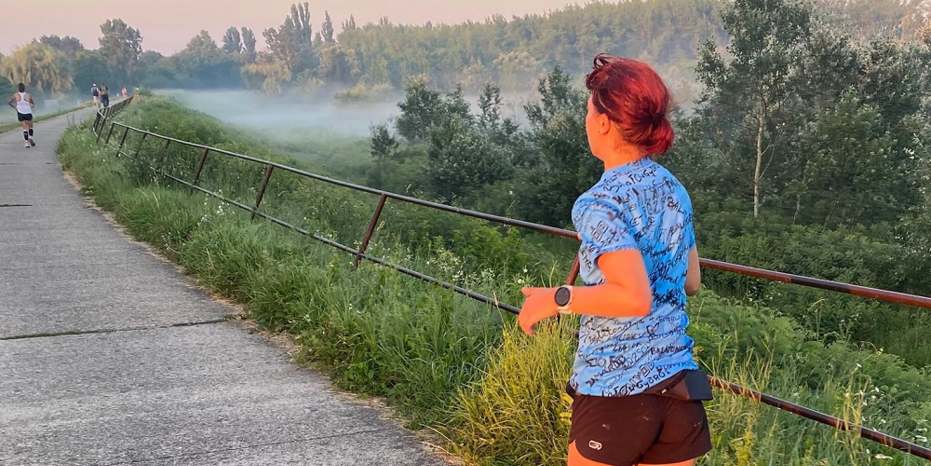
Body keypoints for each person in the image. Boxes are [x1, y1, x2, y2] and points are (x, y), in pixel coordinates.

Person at [518, 54, 709, 466]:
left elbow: (633, 297)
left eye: (588, 110)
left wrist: (557, 298)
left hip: (615, 390)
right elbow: (690, 280)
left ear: (604, 121)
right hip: (678, 391)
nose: (586, 120)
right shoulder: (674, 190)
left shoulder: (600, 202)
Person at [8, 83, 36, 148]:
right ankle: (30, 138)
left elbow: (9, 102)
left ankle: (26, 143)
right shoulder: (28, 95)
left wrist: (15, 108)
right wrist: (30, 106)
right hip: (28, 112)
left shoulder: (16, 95)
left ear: (18, 88)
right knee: (30, 127)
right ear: (24, 88)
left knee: (24, 128)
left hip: (20, 113)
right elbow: (33, 103)